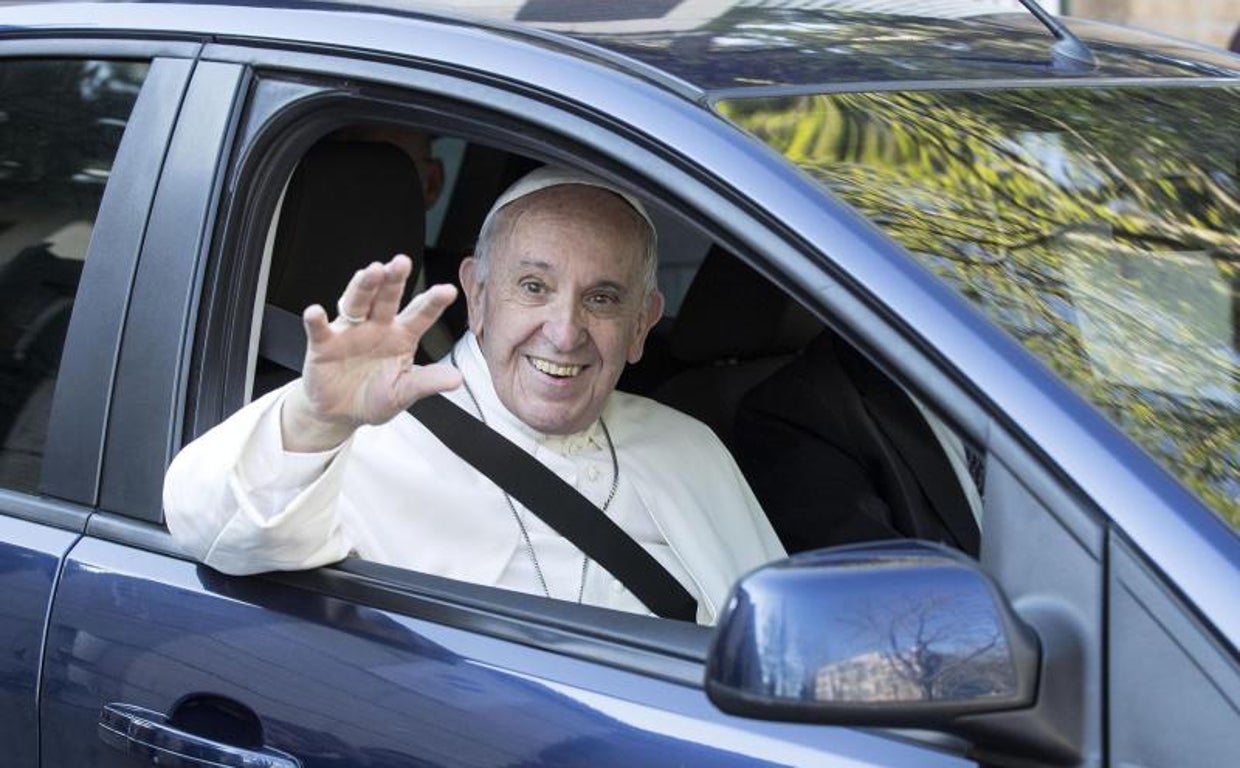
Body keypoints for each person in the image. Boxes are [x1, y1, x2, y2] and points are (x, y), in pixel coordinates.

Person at [164, 165, 784, 624]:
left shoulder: (689, 446)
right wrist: (316, 417)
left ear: (643, 323)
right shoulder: (359, 439)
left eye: (602, 298)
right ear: (478, 295)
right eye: (534, 287)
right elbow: (210, 529)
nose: (565, 333)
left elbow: (778, 641)